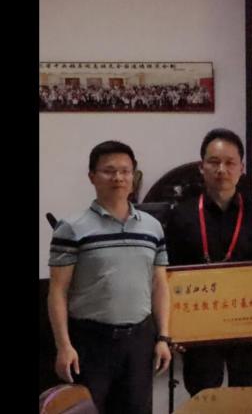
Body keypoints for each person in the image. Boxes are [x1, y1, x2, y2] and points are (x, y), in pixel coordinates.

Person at [48, 140, 172, 413]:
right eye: (109, 171)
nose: (118, 178)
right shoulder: (71, 228)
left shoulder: (153, 228)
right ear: (92, 176)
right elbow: (58, 291)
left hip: (139, 341)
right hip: (91, 342)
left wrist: (163, 338)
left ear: (134, 177)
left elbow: (160, 285)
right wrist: (64, 346)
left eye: (125, 171)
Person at [163, 128, 252, 395]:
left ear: (242, 168)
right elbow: (169, 273)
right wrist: (174, 328)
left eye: (230, 162)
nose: (221, 169)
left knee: (247, 398)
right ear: (201, 167)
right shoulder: (181, 215)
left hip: (247, 324)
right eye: (214, 162)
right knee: (204, 397)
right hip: (199, 326)